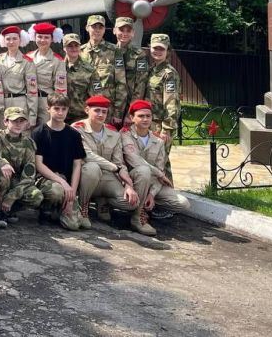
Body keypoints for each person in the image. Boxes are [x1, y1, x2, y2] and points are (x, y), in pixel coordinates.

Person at [72, 95, 152, 235]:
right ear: (87, 110)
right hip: (87, 177)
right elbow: (87, 155)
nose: (101, 114)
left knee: (131, 203)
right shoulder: (77, 129)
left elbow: (119, 161)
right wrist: (116, 168)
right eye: (97, 110)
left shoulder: (113, 133)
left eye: (104, 111)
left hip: (108, 179)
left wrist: (127, 184)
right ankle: (82, 208)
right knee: (92, 167)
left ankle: (107, 204)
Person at [120, 99, 190, 227]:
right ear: (132, 117)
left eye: (148, 116)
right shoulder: (125, 135)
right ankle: (138, 212)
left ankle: (149, 205)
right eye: (141, 116)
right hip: (131, 181)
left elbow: (160, 171)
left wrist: (152, 194)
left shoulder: (158, 140)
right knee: (144, 170)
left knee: (183, 203)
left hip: (151, 183)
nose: (145, 119)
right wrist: (160, 174)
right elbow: (134, 160)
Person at [31, 94, 84, 231]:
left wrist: (72, 192)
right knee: (56, 191)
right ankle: (46, 210)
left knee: (73, 225)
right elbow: (39, 164)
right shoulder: (39, 132)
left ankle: (61, 209)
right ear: (48, 109)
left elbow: (77, 165)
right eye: (56, 108)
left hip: (66, 181)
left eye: (64, 109)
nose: (60, 113)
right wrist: (63, 183)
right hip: (45, 179)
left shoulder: (74, 134)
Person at [0, 106, 45, 222]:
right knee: (4, 175)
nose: (18, 124)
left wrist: (12, 196)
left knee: (36, 196)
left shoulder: (28, 143)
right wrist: (2, 163)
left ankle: (9, 210)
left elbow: (29, 175)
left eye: (22, 121)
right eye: (14, 121)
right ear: (5, 122)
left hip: (16, 182)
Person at [0, 25, 39, 128]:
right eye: (8, 39)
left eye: (15, 38)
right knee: (3, 135)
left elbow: (32, 91)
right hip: (2, 104)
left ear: (20, 40)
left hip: (19, 103)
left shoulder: (27, 62)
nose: (11, 42)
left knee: (21, 134)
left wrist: (32, 116)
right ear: (4, 41)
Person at [110, 17, 149, 129]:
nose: (124, 34)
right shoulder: (108, 52)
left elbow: (140, 87)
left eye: (128, 31)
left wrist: (130, 112)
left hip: (128, 108)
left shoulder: (139, 55)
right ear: (114, 30)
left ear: (133, 33)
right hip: (110, 106)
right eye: (121, 30)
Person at [25, 22, 67, 122]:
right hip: (28, 101)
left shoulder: (57, 61)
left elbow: (60, 90)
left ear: (52, 39)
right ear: (34, 37)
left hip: (46, 102)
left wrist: (57, 109)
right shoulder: (27, 57)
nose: (42, 40)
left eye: (46, 37)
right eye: (39, 37)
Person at [146, 33, 181, 153]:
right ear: (150, 48)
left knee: (159, 162)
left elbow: (172, 103)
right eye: (155, 48)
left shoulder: (168, 73)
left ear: (168, 51)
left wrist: (166, 129)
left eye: (162, 49)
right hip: (149, 123)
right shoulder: (152, 70)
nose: (158, 51)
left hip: (160, 125)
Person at [63, 33, 103, 123]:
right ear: (64, 48)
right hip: (61, 116)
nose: (73, 48)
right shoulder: (58, 67)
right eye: (70, 46)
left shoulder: (90, 70)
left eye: (76, 45)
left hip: (81, 116)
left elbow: (97, 95)